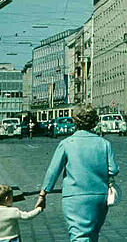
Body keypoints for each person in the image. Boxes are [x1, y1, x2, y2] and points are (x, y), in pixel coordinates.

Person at [37, 104, 118, 242]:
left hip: (75, 197)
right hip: (99, 197)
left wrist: (43, 194)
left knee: (79, 236)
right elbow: (113, 169)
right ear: (94, 121)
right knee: (93, 235)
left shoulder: (67, 143)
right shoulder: (104, 143)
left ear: (75, 121)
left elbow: (53, 171)